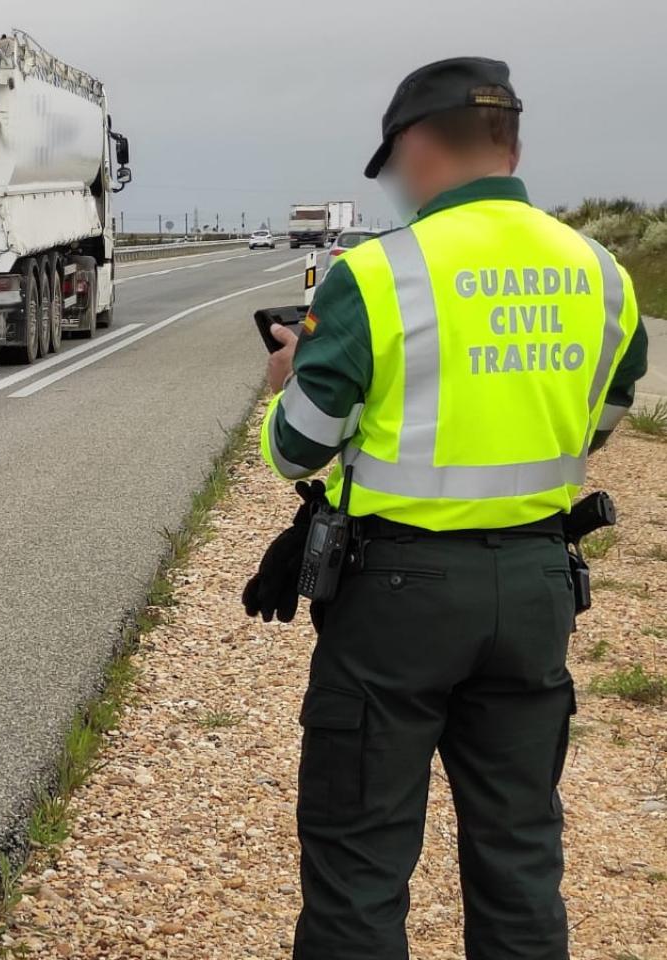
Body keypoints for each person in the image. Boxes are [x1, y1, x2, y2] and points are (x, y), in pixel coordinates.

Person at [243, 57, 649, 960]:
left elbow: (296, 451)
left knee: (360, 865)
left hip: (396, 594)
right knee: (519, 856)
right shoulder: (604, 274)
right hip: (540, 585)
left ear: (419, 145)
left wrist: (281, 385)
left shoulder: (379, 276)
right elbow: (599, 420)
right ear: (511, 144)